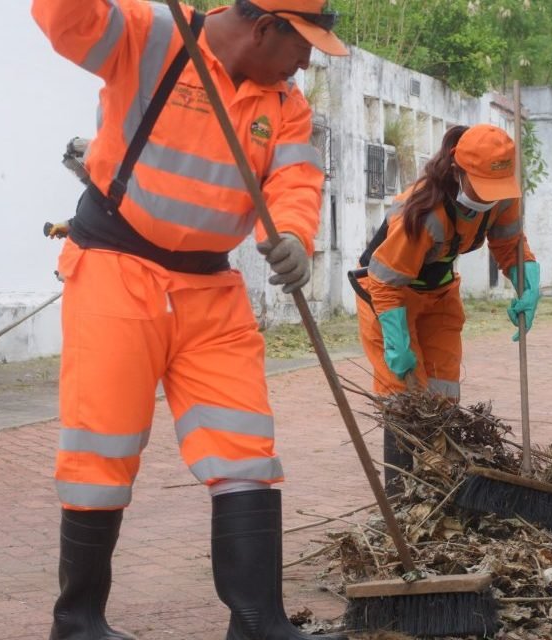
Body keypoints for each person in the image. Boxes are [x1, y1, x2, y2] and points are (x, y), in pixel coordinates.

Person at [31, 1, 347, 639]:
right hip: (117, 270)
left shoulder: (285, 104)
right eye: (303, 43)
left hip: (211, 289)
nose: (308, 60)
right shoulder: (152, 38)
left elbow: (295, 182)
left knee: (245, 451)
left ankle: (259, 622)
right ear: (265, 28)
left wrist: (291, 236)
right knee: (101, 450)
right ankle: (79, 621)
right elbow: (67, 20)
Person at [349, 125, 540, 483]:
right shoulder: (424, 212)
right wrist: (396, 342)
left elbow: (510, 244)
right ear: (458, 170)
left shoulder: (502, 195)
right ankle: (403, 497)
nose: (488, 199)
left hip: (440, 293)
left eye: (495, 190)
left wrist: (528, 286)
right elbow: (386, 283)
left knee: (442, 392)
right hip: (390, 295)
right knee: (404, 399)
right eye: (481, 188)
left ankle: (436, 490)